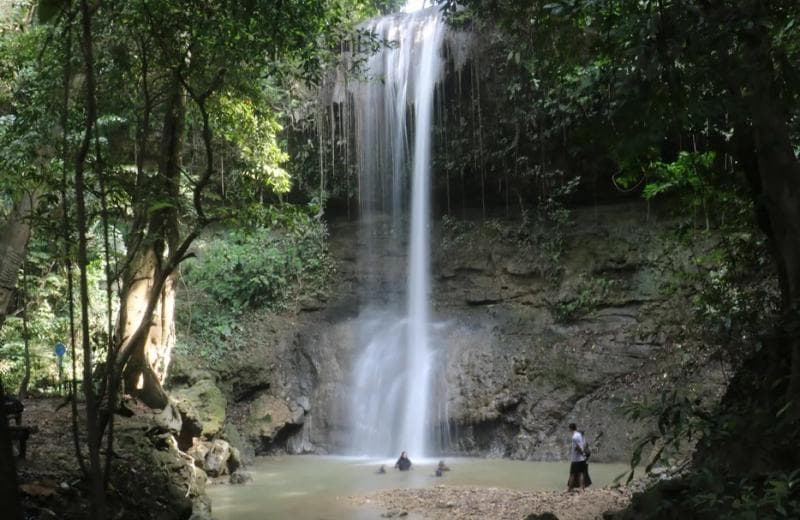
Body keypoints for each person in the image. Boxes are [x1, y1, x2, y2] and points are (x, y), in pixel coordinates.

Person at [567, 423, 591, 490]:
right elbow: (584, 444)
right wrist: (584, 455)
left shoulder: (574, 437)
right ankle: (581, 488)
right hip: (582, 459)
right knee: (581, 474)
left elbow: (577, 447)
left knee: (572, 474)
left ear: (570, 428)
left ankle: (569, 489)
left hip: (576, 459)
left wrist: (582, 453)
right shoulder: (579, 435)